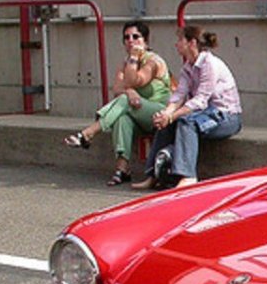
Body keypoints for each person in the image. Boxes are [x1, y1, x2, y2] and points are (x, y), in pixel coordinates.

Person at [132, 24, 243, 190]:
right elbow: (179, 95)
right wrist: (166, 114)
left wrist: (172, 116)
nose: (176, 44)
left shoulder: (209, 64)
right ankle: (152, 175)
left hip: (226, 117)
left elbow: (200, 100)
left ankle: (188, 176)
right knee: (166, 125)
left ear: (192, 43)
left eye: (180, 40)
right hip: (204, 115)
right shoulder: (188, 68)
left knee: (186, 122)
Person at [64, 20, 172, 185]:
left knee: (124, 102)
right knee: (122, 118)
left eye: (136, 36)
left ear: (145, 40)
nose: (131, 41)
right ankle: (122, 169)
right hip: (137, 112)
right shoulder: (127, 62)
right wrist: (129, 91)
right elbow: (117, 88)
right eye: (126, 37)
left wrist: (133, 60)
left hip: (159, 113)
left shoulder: (153, 61)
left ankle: (87, 134)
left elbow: (136, 80)